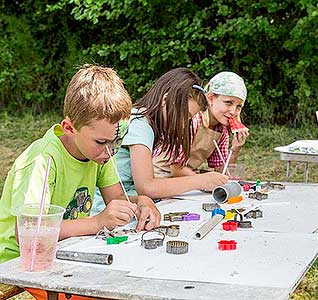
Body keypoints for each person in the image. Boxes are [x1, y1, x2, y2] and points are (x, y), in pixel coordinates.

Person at [0, 65, 161, 299]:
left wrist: (143, 201)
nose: (110, 152)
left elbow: (117, 198)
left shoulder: (97, 154)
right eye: (101, 141)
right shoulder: (43, 159)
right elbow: (30, 234)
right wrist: (97, 222)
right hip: (22, 266)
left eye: (116, 143)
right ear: (69, 127)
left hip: (64, 253)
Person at [90, 68, 228, 215]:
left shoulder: (151, 126)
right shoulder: (140, 124)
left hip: (131, 203)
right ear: (166, 99)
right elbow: (147, 186)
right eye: (185, 116)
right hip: (108, 208)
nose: (183, 124)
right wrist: (201, 181)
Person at [153, 71, 249, 178]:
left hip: (186, 180)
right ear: (211, 98)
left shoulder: (221, 130)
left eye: (238, 106)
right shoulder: (193, 119)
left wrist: (235, 149)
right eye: (228, 102)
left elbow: (222, 171)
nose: (233, 111)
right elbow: (176, 169)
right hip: (161, 176)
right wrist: (203, 181)